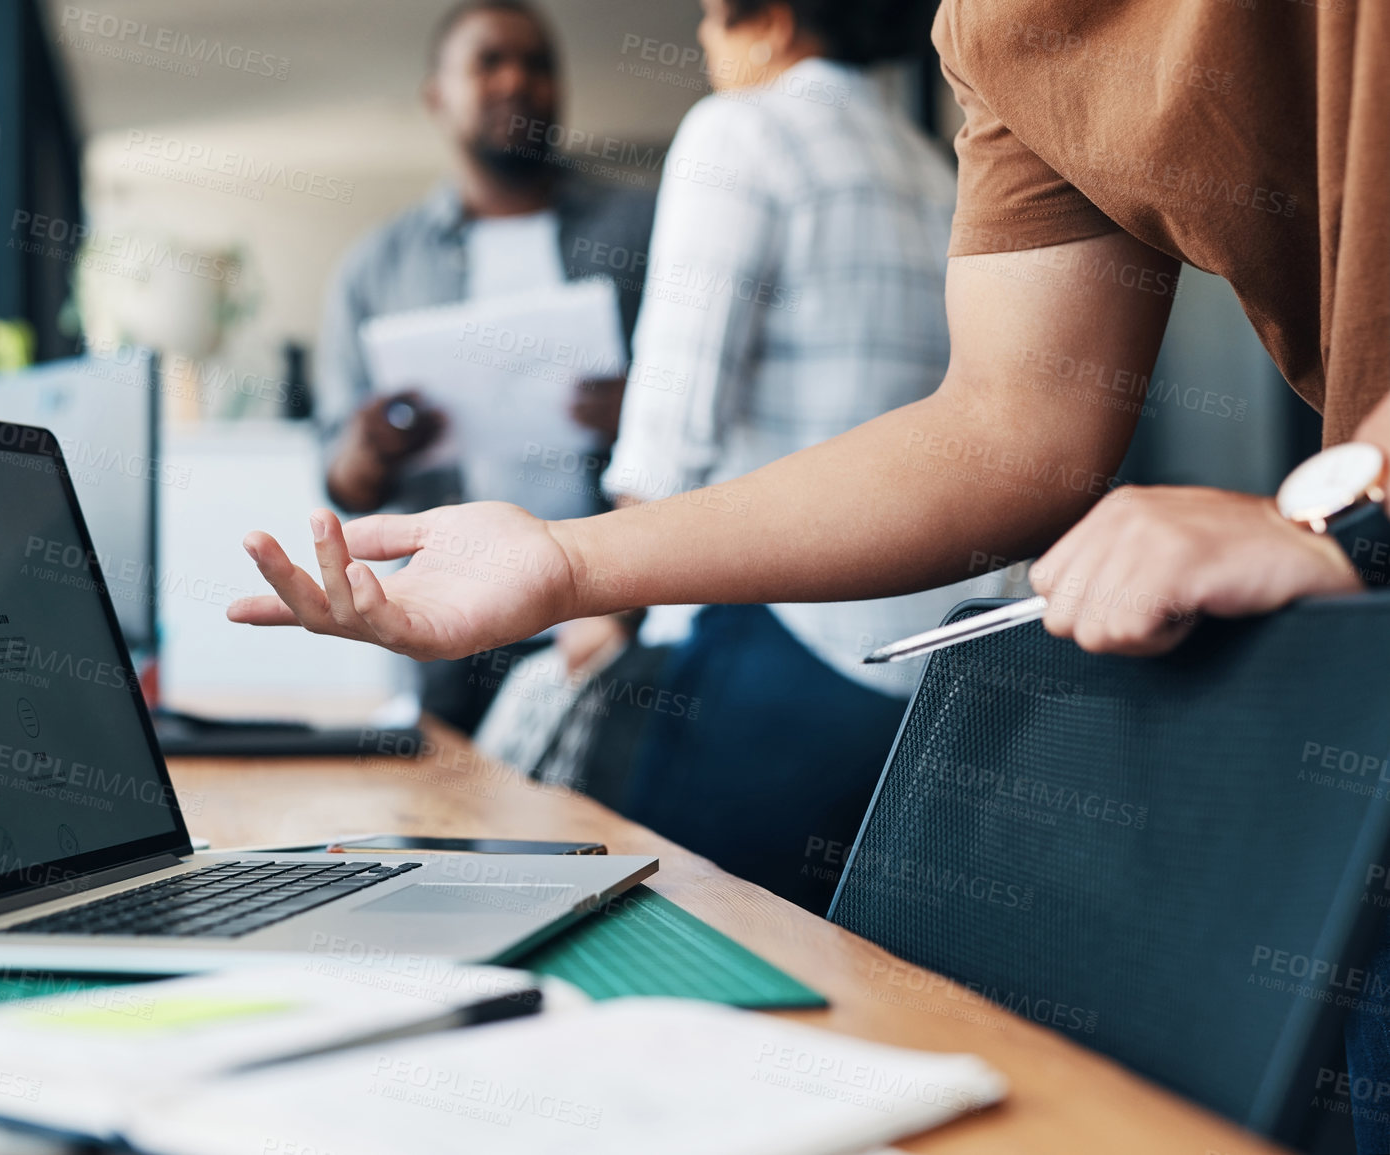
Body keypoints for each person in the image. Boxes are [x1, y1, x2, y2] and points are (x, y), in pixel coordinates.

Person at [234, 1, 1386, 1142]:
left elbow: (670, 429)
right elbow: (1015, 428)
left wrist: (1355, 486)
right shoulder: (981, 56)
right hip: (960, 649)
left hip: (808, 651)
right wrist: (567, 561)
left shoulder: (737, 135)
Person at [547, 0, 976, 911]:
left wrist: (596, 601)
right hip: (926, 663)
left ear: (771, 22)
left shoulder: (736, 131)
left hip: (776, 633)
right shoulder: (933, 168)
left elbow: (674, 416)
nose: (703, 43)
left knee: (676, 949)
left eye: (709, 17)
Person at [314, 0, 656, 733]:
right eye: (488, 62)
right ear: (436, 95)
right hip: (448, 615)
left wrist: (646, 409)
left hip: (614, 605)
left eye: (538, 64)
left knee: (614, 832)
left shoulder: (640, 229)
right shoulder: (376, 267)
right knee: (454, 828)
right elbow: (339, 477)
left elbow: (705, 411)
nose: (517, 82)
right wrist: (369, 447)